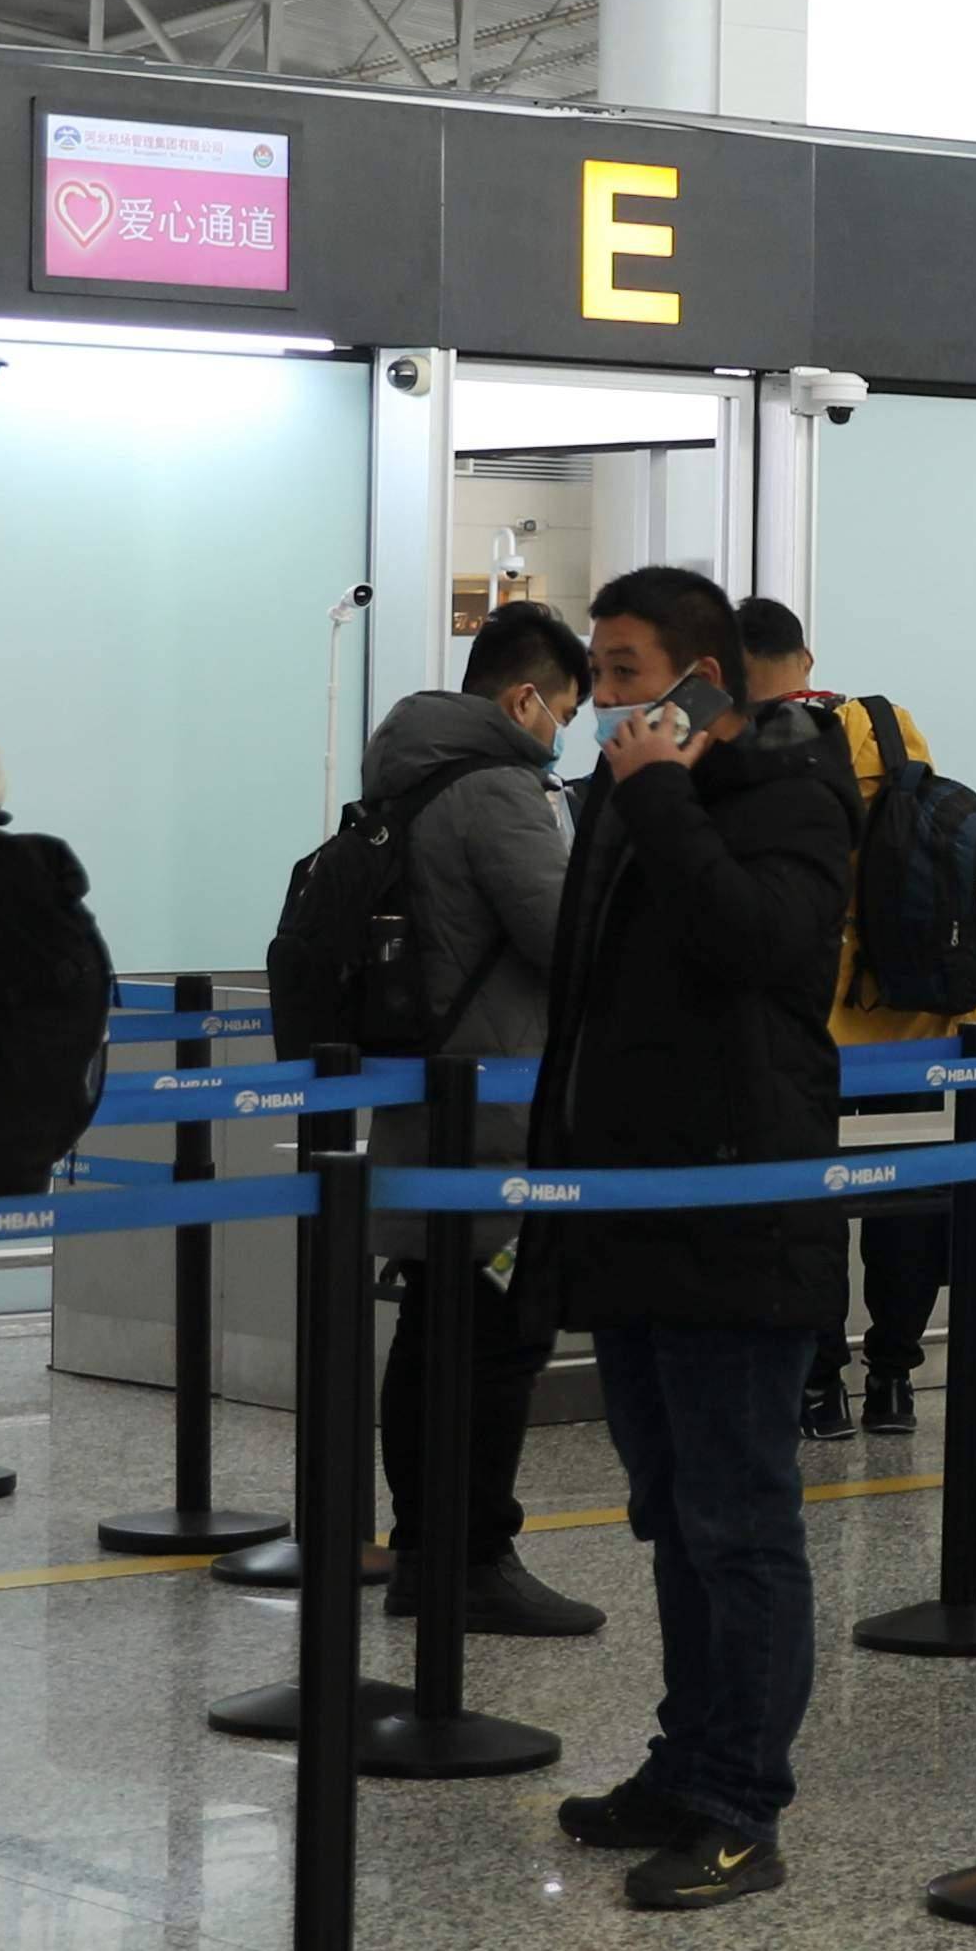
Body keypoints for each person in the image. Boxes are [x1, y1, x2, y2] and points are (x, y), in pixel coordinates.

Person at [532, 563, 856, 1912]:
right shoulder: (622, 796)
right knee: (671, 1511)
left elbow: (762, 946)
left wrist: (661, 796)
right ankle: (684, 1763)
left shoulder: (791, 788)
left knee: (739, 1518)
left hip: (738, 1207)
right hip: (632, 1207)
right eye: (596, 670)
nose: (597, 697)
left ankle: (740, 1803)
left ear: (701, 677)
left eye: (621, 671)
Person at [361, 597, 599, 1635]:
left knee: (431, 1329)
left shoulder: (405, 777)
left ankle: (424, 1550)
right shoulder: (498, 788)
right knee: (500, 1339)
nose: (567, 732)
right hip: (501, 1102)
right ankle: (475, 1557)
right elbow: (562, 936)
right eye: (568, 712)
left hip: (428, 1096)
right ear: (524, 698)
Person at [736, 597, 956, 1439]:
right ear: (805, 657)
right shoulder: (890, 729)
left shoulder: (742, 748)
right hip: (910, 1017)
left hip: (803, 1030)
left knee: (807, 1209)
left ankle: (819, 1385)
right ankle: (894, 1379)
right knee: (908, 1207)